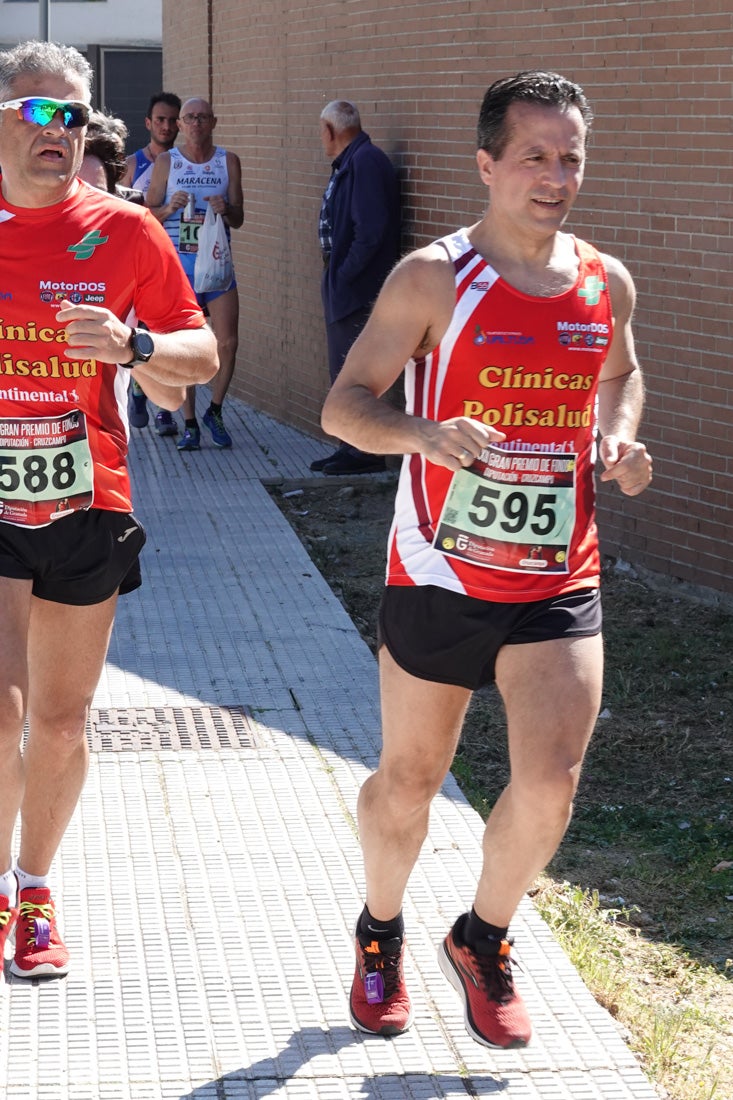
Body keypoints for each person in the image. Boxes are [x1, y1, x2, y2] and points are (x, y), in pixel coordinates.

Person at [321, 71, 653, 1048]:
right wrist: (425, 433)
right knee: (410, 781)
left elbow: (620, 375)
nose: (555, 176)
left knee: (549, 779)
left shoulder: (604, 281)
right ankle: (380, 928)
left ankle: (483, 936)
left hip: (557, 569)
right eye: (534, 156)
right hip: (440, 570)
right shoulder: (434, 277)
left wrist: (615, 437)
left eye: (570, 157)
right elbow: (347, 404)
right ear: (488, 164)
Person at [0, 40, 218, 979]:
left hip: (88, 499)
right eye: (47, 113)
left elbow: (199, 357)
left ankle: (35, 887)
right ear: (7, 117)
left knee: (58, 720)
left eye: (78, 118)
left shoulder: (126, 231)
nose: (65, 132)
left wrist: (133, 345)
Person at [146, 96, 244, 451]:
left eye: (203, 117)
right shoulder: (167, 162)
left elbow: (239, 217)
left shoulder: (227, 161)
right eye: (190, 118)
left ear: (213, 122)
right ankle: (189, 422)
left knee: (228, 342)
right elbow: (149, 214)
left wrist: (226, 209)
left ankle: (214, 411)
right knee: (185, 347)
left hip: (217, 265)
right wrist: (168, 207)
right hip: (179, 269)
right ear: (181, 125)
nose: (196, 123)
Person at [311, 100, 401, 475]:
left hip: (358, 291)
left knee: (353, 372)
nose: (321, 140)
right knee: (343, 369)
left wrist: (345, 274)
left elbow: (371, 230)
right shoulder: (353, 161)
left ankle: (363, 452)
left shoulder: (364, 162)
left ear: (330, 131)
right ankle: (350, 446)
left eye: (321, 132)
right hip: (347, 286)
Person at [119, 92, 182, 437]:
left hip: (180, 263)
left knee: (171, 336)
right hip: (141, 265)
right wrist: (168, 210)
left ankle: (163, 410)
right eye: (160, 119)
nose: (166, 126)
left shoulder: (186, 163)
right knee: (147, 333)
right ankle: (142, 393)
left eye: (173, 120)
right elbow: (123, 217)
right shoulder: (132, 165)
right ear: (148, 123)